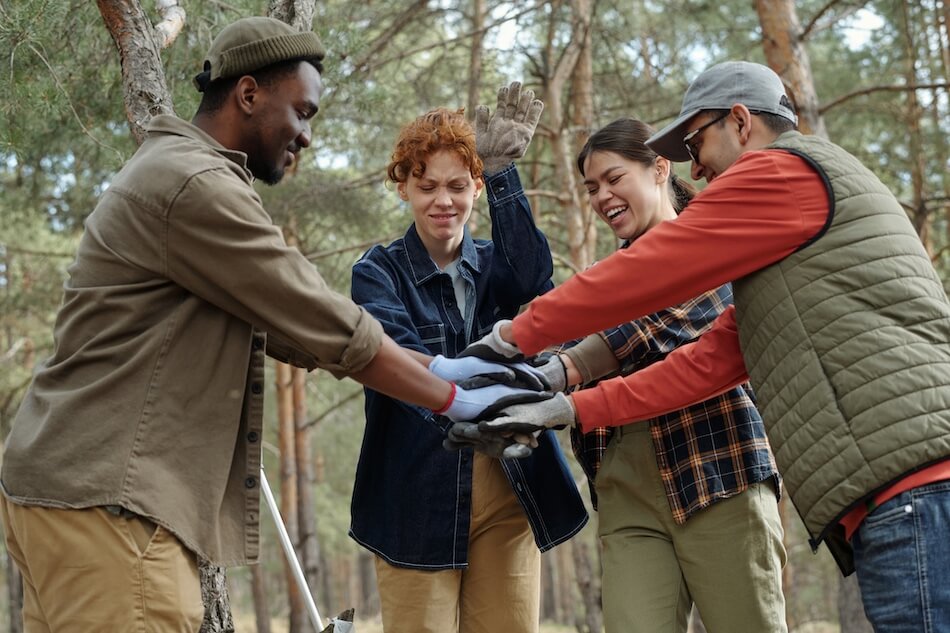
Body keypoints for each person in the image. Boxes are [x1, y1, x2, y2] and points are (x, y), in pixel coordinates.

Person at [0, 18, 542, 632]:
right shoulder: (196, 184)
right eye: (302, 112)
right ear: (249, 94)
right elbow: (318, 318)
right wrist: (451, 394)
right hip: (112, 502)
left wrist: (442, 369)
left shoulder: (174, 169)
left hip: (67, 493)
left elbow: (291, 332)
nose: (307, 137)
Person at [466, 61, 950, 632]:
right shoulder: (772, 244)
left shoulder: (777, 176)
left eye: (697, 140)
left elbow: (648, 283)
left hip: (891, 487)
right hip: (893, 493)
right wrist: (570, 404)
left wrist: (512, 343)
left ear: (741, 122)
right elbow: (708, 362)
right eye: (590, 188)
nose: (697, 165)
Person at [521, 117, 785, 633]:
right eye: (592, 188)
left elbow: (650, 331)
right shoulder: (603, 286)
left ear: (660, 168)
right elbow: (562, 349)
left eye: (614, 178)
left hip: (717, 474)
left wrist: (565, 368)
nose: (602, 197)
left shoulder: (715, 244)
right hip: (626, 491)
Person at [349, 89, 588, 633]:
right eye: (427, 185)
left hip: (510, 488)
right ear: (403, 186)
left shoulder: (496, 264)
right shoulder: (377, 272)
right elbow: (397, 366)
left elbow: (532, 280)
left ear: (476, 188)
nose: (443, 201)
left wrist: (504, 174)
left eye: (459, 186)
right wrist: (471, 402)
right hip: (415, 498)